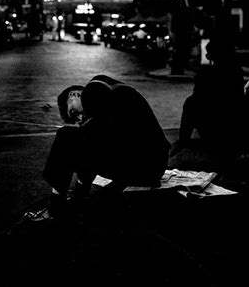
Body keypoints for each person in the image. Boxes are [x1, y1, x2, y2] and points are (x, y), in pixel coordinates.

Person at [23, 74, 170, 221]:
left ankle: (55, 208)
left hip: (143, 166)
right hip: (151, 166)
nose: (80, 119)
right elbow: (97, 142)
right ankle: (79, 195)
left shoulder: (93, 90)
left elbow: (92, 141)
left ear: (74, 94)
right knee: (84, 138)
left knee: (65, 135)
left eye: (73, 112)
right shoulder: (108, 91)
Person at [171, 25, 246, 160]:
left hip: (215, 126)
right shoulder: (236, 70)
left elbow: (196, 99)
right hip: (232, 123)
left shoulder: (208, 73)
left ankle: (183, 142)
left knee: (189, 103)